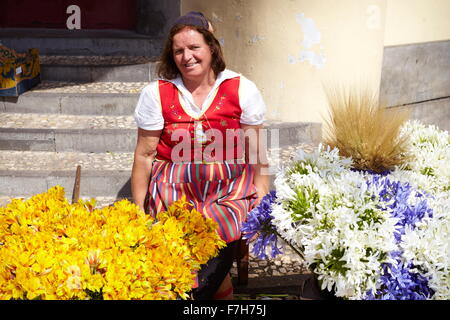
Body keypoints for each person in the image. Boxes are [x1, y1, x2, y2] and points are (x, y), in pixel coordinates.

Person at [131, 11, 269, 300]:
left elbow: (255, 148)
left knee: (219, 222)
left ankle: (194, 295)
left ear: (211, 49)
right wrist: (137, 207)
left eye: (194, 48)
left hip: (228, 185)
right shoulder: (157, 93)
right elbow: (145, 154)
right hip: (174, 185)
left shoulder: (241, 88)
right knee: (180, 227)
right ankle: (215, 292)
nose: (186, 56)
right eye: (179, 50)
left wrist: (262, 192)